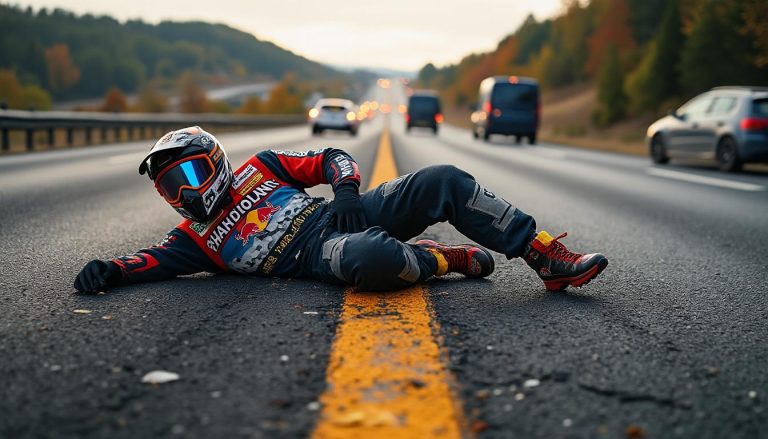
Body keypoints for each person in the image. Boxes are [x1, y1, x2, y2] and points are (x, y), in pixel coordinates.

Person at [74, 126, 608, 294]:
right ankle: (444, 259)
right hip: (321, 252)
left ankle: (544, 256)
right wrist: (109, 272)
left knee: (440, 180)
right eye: (170, 187)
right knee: (372, 259)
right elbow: (146, 263)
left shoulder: (261, 167)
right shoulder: (193, 241)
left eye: (190, 174)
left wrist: (348, 190)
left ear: (214, 161)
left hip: (347, 212)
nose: (185, 193)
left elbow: (333, 155)